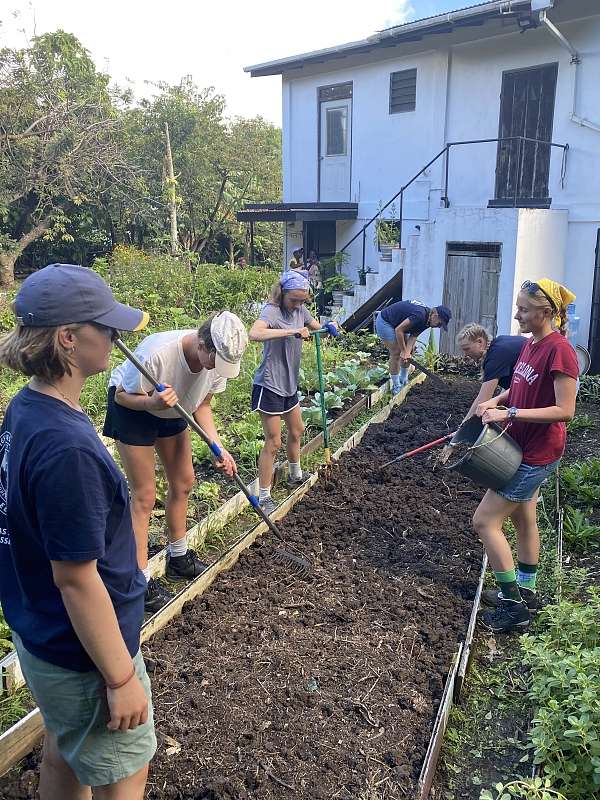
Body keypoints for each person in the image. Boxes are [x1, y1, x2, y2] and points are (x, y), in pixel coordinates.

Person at [0, 263, 156, 799]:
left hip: (42, 632)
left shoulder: (28, 408)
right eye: (105, 327)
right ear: (68, 338)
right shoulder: (67, 447)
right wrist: (120, 678)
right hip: (83, 654)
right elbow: (75, 578)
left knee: (65, 752)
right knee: (123, 773)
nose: (114, 337)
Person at [103, 311, 248, 613]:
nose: (216, 368)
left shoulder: (219, 360)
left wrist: (217, 447)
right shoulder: (157, 353)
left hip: (174, 409)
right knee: (144, 495)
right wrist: (152, 402)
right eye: (214, 361)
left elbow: (202, 405)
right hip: (135, 408)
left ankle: (178, 558)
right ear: (203, 344)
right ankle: (139, 581)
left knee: (183, 481)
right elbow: (121, 396)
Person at [473, 278, 578, 633]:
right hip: (521, 446)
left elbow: (565, 410)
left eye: (524, 310)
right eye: (518, 307)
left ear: (546, 313)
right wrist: (497, 400)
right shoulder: (531, 343)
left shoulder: (560, 351)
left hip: (538, 452)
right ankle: (527, 591)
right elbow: (521, 387)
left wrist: (510, 414)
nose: (517, 315)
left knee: (485, 521)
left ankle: (513, 607)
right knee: (523, 518)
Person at [249, 271, 325, 515]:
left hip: (289, 384)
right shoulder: (272, 311)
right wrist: (291, 332)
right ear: (282, 294)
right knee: (274, 442)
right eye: (294, 300)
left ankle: (295, 475)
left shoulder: (300, 310)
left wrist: (329, 327)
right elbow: (255, 334)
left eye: (302, 300)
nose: (298, 305)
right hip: (269, 384)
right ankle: (263, 497)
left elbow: (316, 327)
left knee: (297, 430)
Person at [375, 300, 452, 394]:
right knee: (396, 353)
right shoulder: (420, 316)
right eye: (439, 323)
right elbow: (399, 330)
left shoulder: (428, 321)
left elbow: (414, 336)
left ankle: (403, 379)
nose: (439, 327)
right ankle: (396, 386)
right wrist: (403, 351)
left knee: (410, 351)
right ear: (435, 315)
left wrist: (407, 352)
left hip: (398, 323)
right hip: (386, 321)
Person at [457, 323, 525, 419]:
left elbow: (483, 399)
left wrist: (463, 426)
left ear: (480, 342)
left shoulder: (495, 358)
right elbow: (510, 386)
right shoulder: (499, 342)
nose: (465, 354)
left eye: (467, 349)